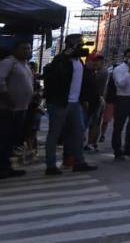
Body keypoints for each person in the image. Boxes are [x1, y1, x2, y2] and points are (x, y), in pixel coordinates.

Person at [42, 34, 97, 175]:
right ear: (71, 43)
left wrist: (84, 99)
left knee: (79, 132)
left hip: (75, 103)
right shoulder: (60, 59)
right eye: (79, 43)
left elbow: (81, 81)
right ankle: (51, 165)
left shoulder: (79, 60)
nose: (82, 45)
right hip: (60, 102)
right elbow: (56, 74)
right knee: (54, 134)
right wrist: (66, 55)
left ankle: (79, 162)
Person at [0, 40, 34, 179]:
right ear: (15, 50)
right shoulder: (9, 62)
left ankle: (7, 166)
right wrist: (6, 98)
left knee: (12, 140)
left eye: (29, 48)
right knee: (4, 139)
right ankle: (2, 168)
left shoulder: (24, 64)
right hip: (7, 109)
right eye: (24, 48)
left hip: (21, 109)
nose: (27, 51)